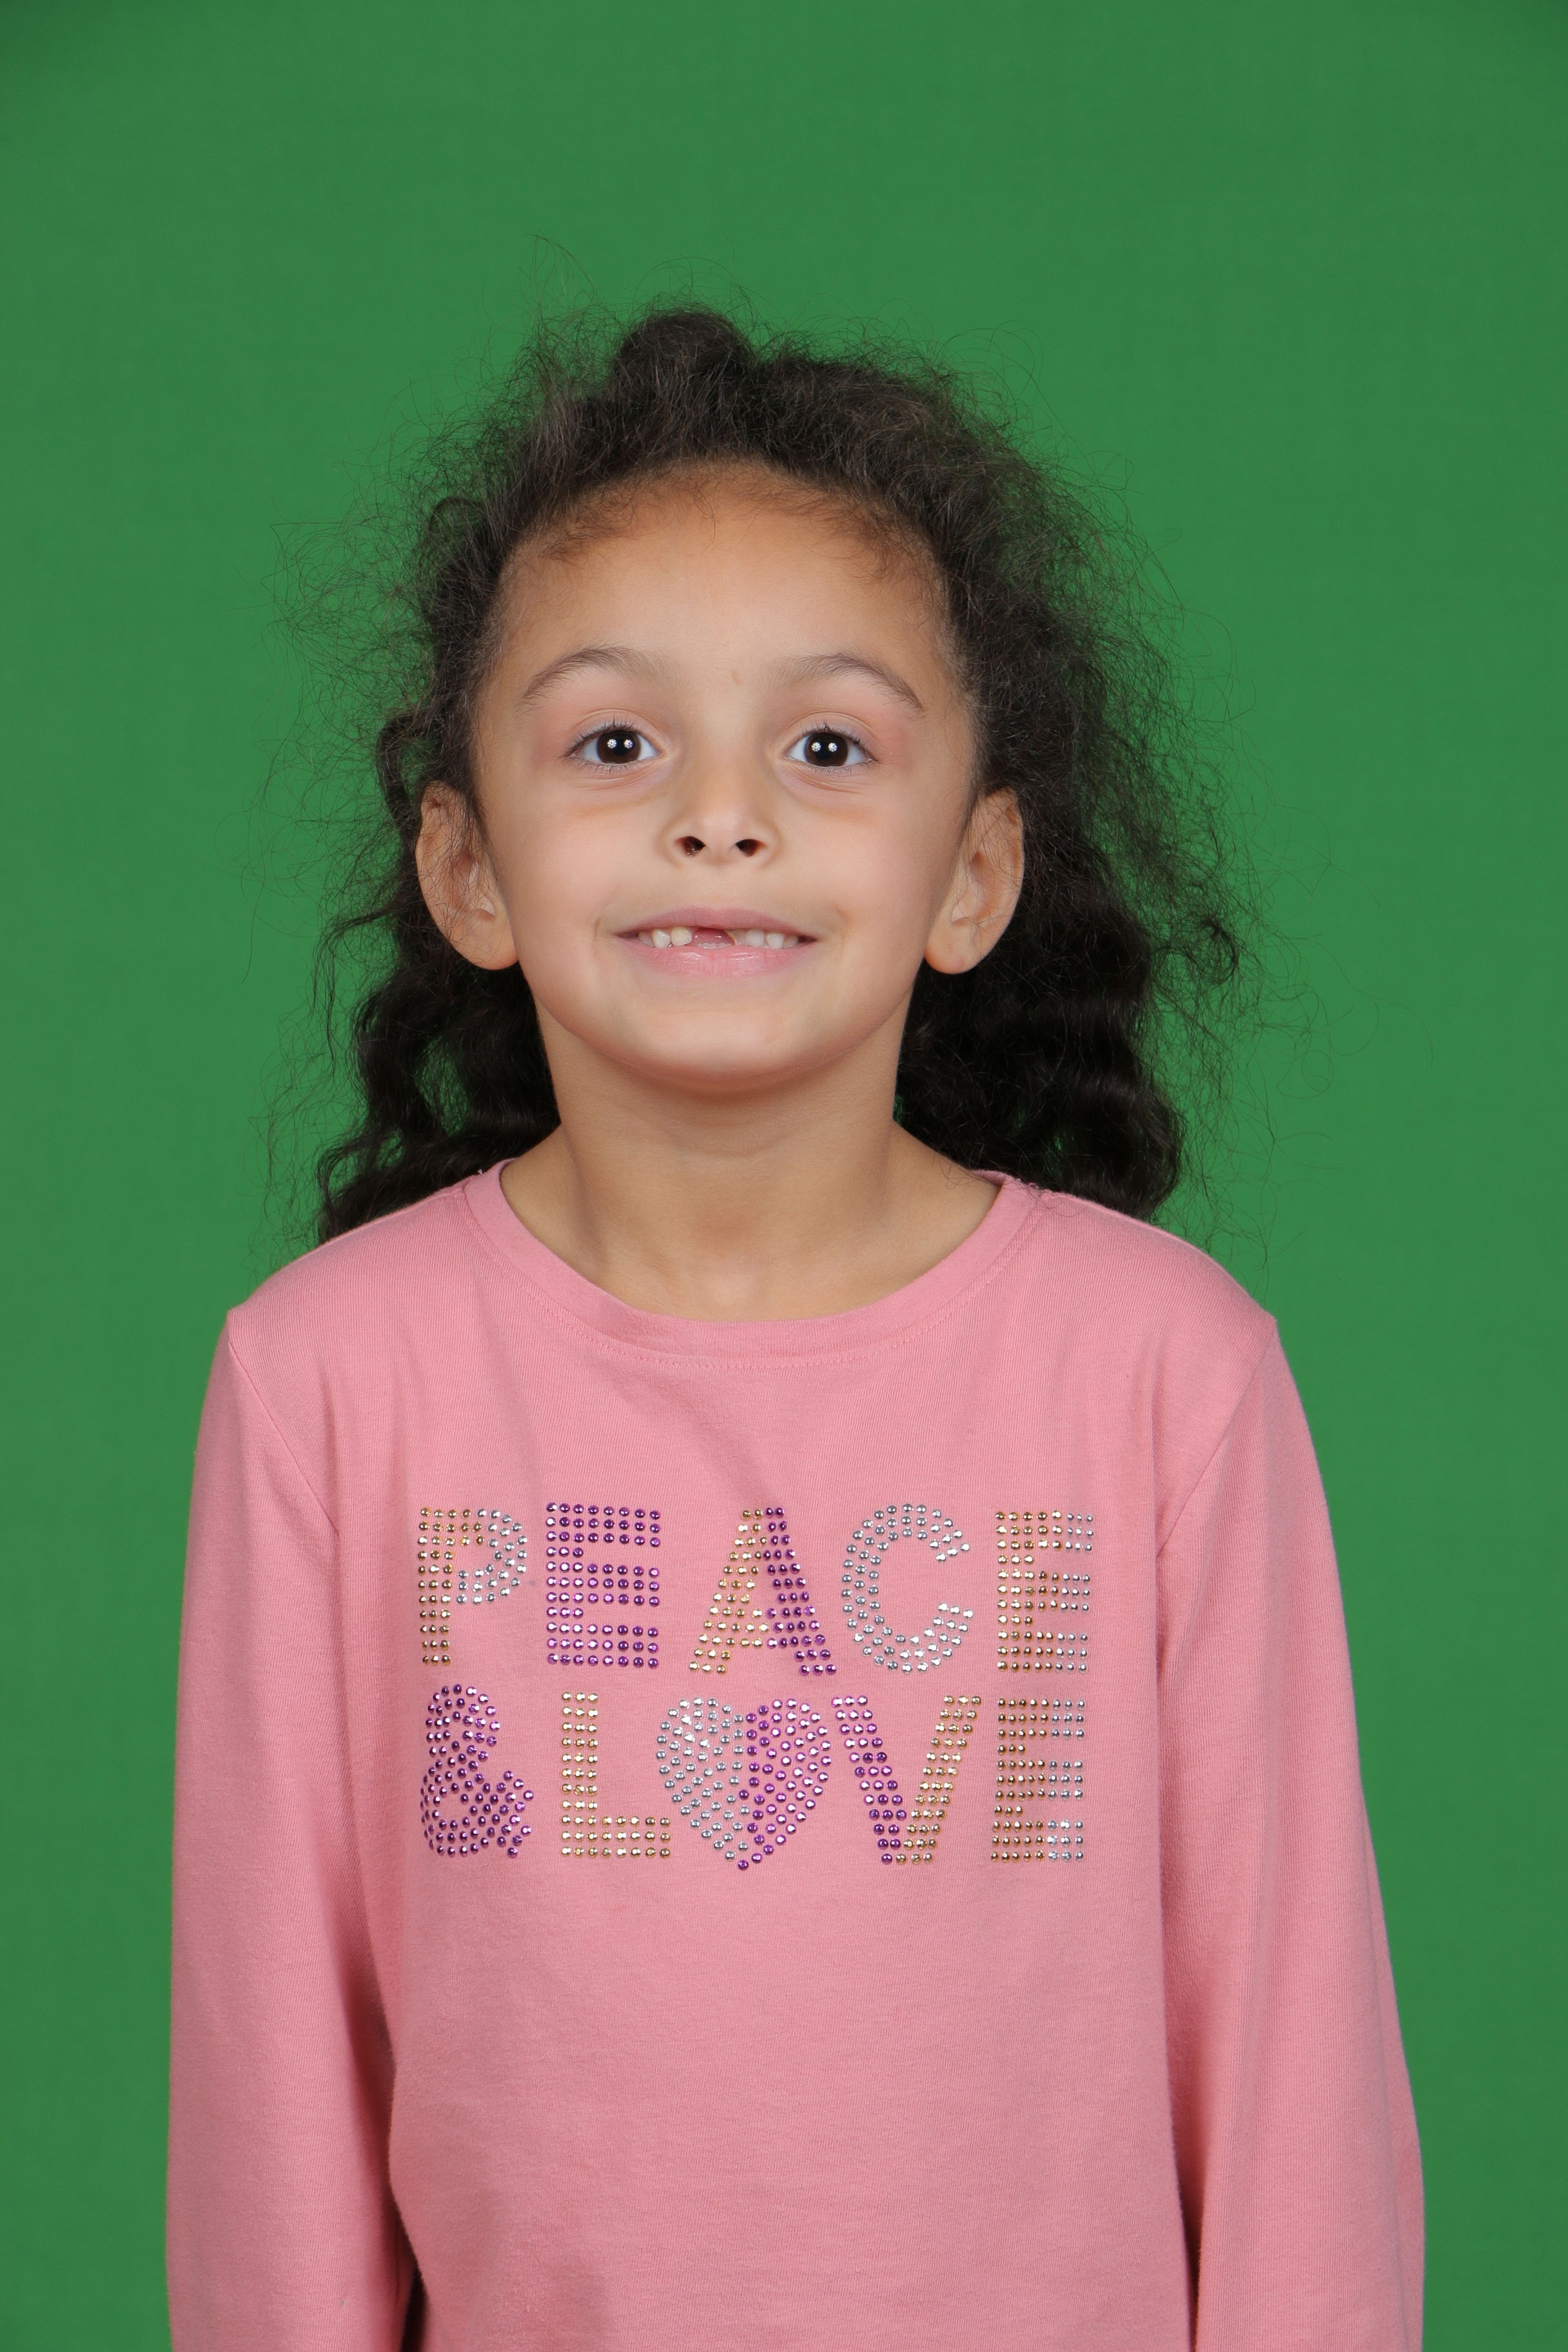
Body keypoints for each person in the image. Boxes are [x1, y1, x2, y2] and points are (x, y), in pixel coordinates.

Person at [168, 308, 1422, 2351]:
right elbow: (272, 2091)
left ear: (975, 871)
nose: (721, 815)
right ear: (468, 867)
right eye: (615, 744)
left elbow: (1297, 2088)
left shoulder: (1167, 1374)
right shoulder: (323, 1380)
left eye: (827, 748)